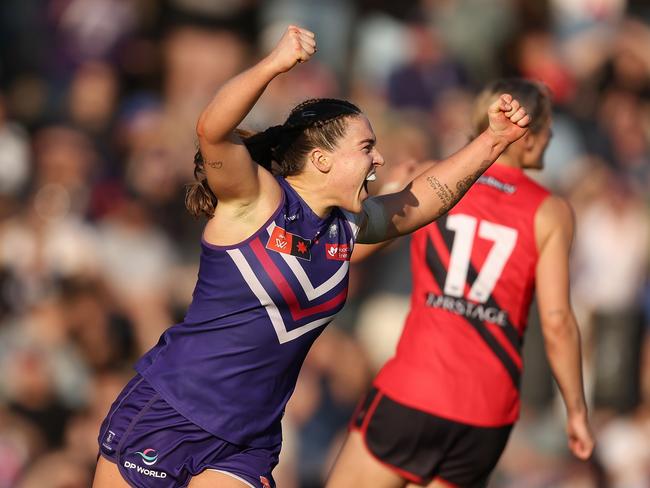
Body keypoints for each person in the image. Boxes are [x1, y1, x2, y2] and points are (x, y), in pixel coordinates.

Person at [92, 26, 531, 488]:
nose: (379, 159)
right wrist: (274, 63)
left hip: (248, 440)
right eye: (366, 148)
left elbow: (428, 198)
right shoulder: (254, 201)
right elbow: (213, 129)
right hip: (172, 410)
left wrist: (494, 140)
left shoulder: (346, 228)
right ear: (321, 159)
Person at [326, 79, 595, 488]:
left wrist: (395, 188)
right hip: (486, 414)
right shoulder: (551, 211)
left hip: (414, 391)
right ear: (523, 135)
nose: (551, 137)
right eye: (544, 129)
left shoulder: (433, 178)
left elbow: (351, 250)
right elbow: (557, 321)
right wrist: (576, 411)